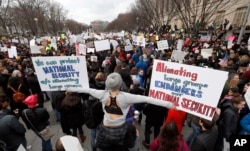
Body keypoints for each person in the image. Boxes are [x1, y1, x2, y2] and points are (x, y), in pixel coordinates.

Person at [68, 72, 175, 151]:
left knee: (100, 144)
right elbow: (147, 99)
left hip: (105, 129)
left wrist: (70, 88)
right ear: (120, 84)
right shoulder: (127, 97)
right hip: (121, 129)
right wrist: (169, 104)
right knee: (134, 138)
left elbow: (86, 90)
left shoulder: (102, 94)